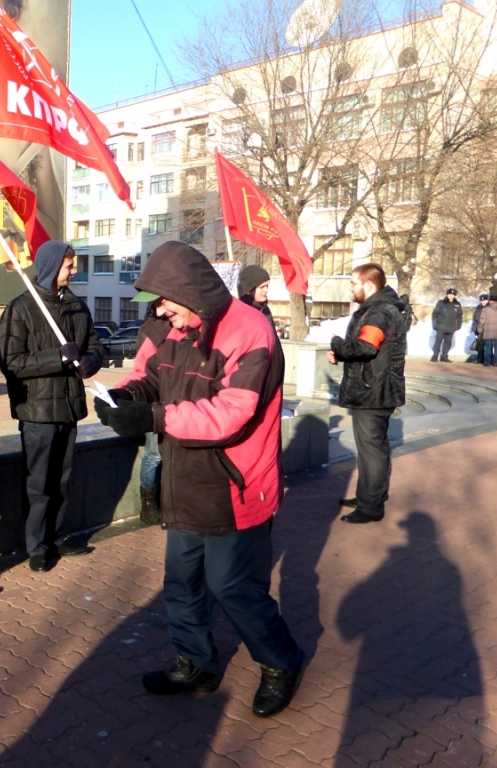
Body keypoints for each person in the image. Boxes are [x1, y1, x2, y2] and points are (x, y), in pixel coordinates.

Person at [95, 241, 304, 719]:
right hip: (185, 478)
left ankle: (281, 661)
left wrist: (153, 417)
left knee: (234, 586)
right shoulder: (170, 325)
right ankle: (196, 663)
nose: (159, 311)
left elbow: (232, 412)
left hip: (235, 485)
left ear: (189, 291)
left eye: (165, 301)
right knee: (183, 581)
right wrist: (123, 398)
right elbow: (148, 376)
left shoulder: (250, 330)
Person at [0, 240, 105, 572]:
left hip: (69, 408)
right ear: (52, 266)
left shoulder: (76, 306)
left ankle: (57, 536)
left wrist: (91, 360)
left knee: (62, 480)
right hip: (38, 412)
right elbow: (12, 362)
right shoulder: (21, 308)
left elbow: (96, 345)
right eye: (69, 266)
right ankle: (37, 546)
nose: (74, 271)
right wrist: (57, 357)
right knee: (39, 483)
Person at [327, 263, 407, 524]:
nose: (350, 288)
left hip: (373, 392)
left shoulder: (379, 312)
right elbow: (368, 348)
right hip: (375, 389)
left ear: (369, 285)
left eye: (353, 283)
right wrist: (341, 354)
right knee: (373, 448)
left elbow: (365, 347)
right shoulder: (378, 309)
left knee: (371, 450)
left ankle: (370, 506)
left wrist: (337, 344)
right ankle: (369, 496)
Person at [135, 307, 169, 526]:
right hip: (155, 401)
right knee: (154, 454)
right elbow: (143, 371)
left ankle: (163, 502)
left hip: (173, 401)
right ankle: (148, 506)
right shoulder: (149, 331)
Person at [237, 264, 276, 329]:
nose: (266, 290)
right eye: (262, 287)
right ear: (250, 289)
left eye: (267, 286)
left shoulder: (265, 309)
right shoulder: (241, 312)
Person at [430, 288, 463, 362]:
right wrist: (435, 324)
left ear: (454, 295)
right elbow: (435, 314)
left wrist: (458, 325)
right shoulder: (441, 303)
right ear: (447, 295)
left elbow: (459, 316)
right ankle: (435, 355)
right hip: (441, 326)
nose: (450, 296)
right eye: (449, 294)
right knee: (438, 342)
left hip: (451, 326)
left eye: (452, 294)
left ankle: (444, 356)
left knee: (448, 342)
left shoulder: (457, 304)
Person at [477, 295, 497, 368]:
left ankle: (487, 362)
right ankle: (495, 362)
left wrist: (480, 329)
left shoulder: (486, 309)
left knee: (488, 347)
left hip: (488, 331)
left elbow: (482, 320)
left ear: (491, 301)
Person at [470, 294, 489, 364]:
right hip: (479, 328)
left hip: (487, 329)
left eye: (484, 300)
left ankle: (486, 359)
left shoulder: (490, 308)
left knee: (487, 345)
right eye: (482, 300)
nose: (483, 302)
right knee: (480, 344)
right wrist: (473, 328)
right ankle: (480, 358)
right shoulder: (478, 307)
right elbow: (475, 318)